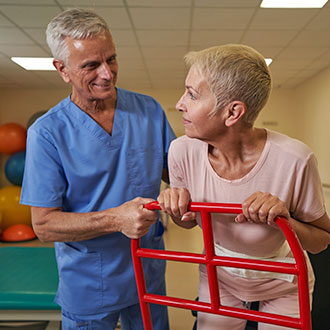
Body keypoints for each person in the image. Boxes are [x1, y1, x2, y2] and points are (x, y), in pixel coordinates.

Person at [20, 8, 175, 330]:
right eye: (91, 65)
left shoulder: (148, 110)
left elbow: (177, 176)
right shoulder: (48, 132)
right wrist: (115, 219)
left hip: (147, 268)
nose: (107, 73)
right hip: (90, 281)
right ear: (62, 69)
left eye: (112, 59)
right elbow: (44, 225)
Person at [157, 44, 330, 330]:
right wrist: (177, 208)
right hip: (219, 276)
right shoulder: (181, 152)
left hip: (282, 281)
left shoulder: (295, 159)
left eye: (192, 94)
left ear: (233, 112)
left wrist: (284, 221)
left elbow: (322, 239)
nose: (179, 104)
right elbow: (187, 224)